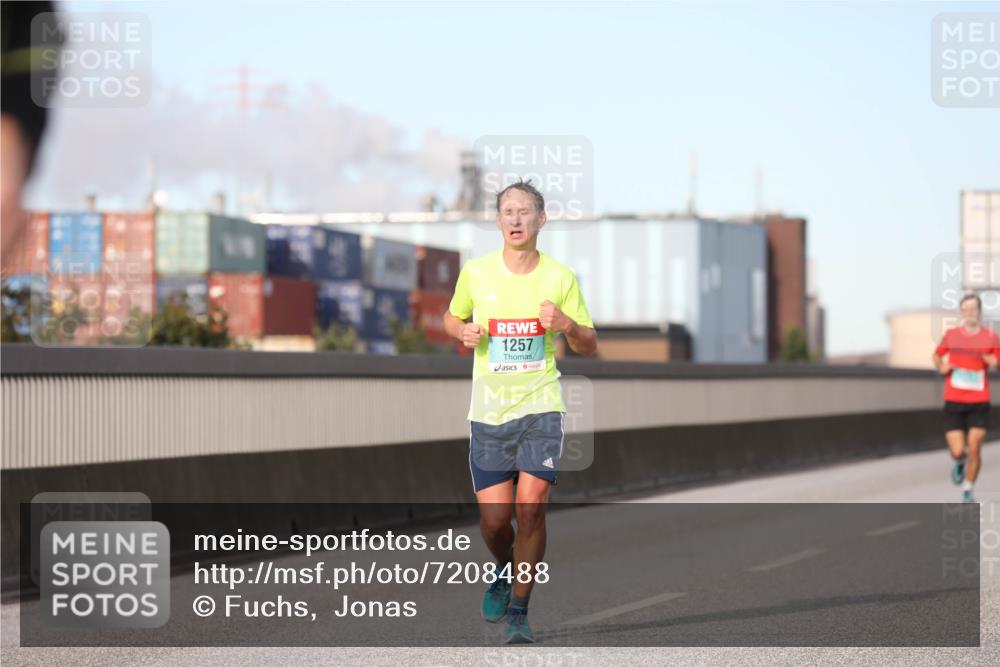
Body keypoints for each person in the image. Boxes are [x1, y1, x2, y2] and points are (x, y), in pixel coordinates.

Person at [443, 179, 597, 643]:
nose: (515, 218)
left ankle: (519, 611)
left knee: (531, 508)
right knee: (495, 522)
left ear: (540, 220)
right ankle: (506, 567)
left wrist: (567, 325)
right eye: (507, 211)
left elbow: (589, 345)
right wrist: (461, 331)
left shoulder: (560, 278)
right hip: (489, 413)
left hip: (541, 407)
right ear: (498, 221)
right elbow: (452, 316)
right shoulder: (476, 273)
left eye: (524, 211)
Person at [932, 292, 999, 503]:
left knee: (975, 446)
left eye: (973, 309)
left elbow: (998, 361)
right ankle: (960, 461)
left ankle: (968, 488)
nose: (970, 312)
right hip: (954, 400)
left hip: (979, 401)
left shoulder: (990, 337)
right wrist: (942, 366)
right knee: (958, 450)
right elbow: (936, 355)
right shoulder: (952, 335)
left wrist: (994, 361)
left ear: (980, 312)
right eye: (966, 309)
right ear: (962, 312)